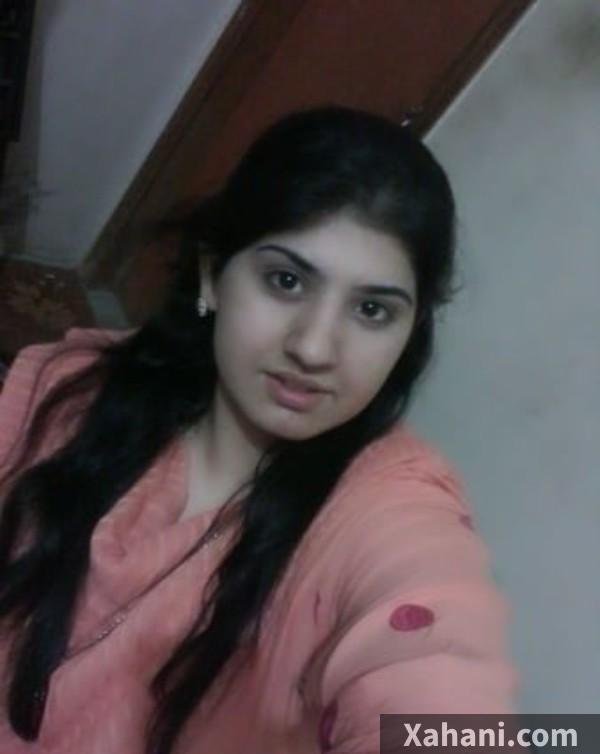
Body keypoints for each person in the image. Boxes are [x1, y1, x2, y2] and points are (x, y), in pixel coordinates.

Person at [0, 106, 520, 754]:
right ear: (213, 275)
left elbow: (438, 673)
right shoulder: (72, 389)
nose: (314, 347)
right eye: (286, 281)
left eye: (371, 309)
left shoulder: (381, 506)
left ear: (409, 332)